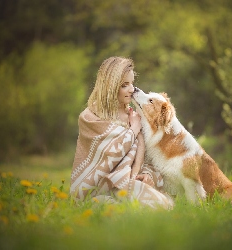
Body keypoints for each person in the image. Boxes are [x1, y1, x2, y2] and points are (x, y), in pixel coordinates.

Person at [70, 56, 173, 209]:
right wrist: (133, 130)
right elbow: (106, 155)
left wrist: (146, 174)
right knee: (107, 205)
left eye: (132, 83)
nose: (132, 89)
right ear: (110, 87)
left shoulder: (137, 116)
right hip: (101, 186)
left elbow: (150, 156)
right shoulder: (90, 117)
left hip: (131, 182)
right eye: (125, 85)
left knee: (164, 204)